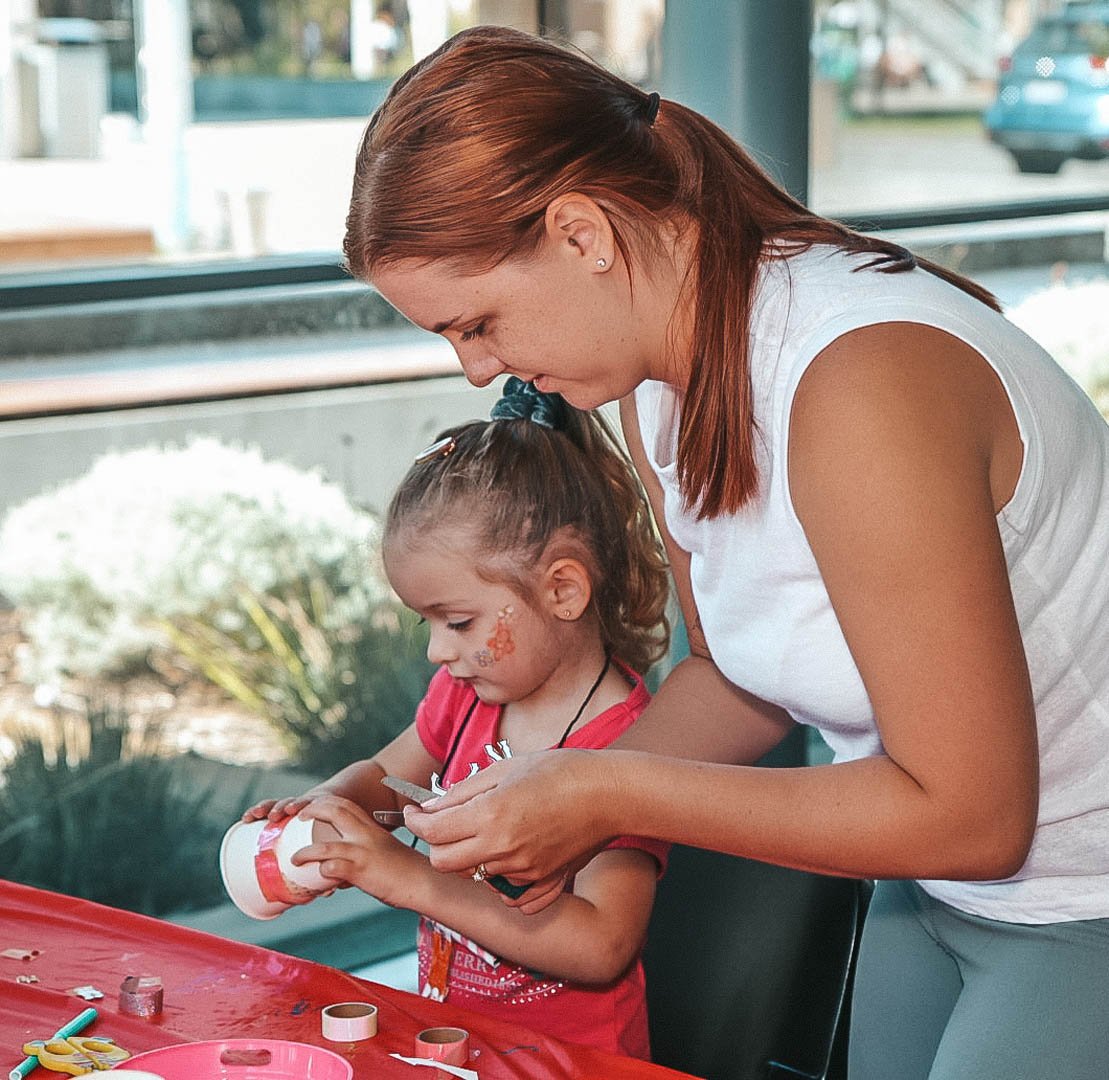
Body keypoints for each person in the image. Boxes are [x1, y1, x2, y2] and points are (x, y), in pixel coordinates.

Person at [339, 23, 1109, 1080]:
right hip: (937, 887)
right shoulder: (657, 379)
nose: (478, 371)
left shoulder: (858, 383)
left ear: (580, 234)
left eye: (477, 324)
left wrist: (605, 795)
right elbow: (736, 678)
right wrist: (562, 796)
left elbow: (974, 815)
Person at [241, 378, 671, 1060]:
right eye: (428, 623)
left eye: (459, 622)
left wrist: (413, 880)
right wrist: (331, 810)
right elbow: (387, 779)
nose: (437, 652)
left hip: (569, 1064)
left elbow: (601, 944)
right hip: (457, 1047)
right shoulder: (466, 694)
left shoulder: (631, 745)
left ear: (562, 589)